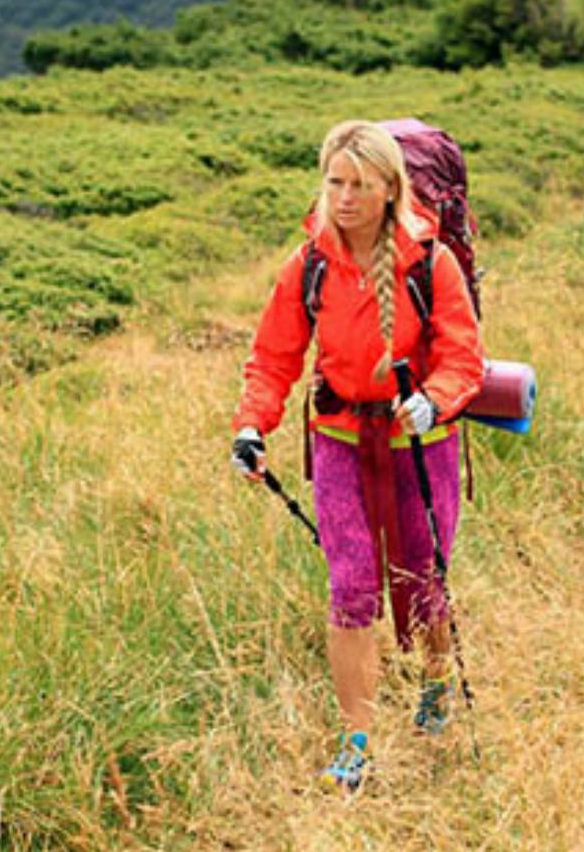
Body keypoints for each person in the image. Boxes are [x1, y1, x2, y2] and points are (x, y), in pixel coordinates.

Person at [230, 120, 485, 793]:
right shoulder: (308, 263)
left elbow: (465, 357)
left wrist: (433, 399)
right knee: (351, 588)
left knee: (422, 572)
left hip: (422, 442)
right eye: (334, 182)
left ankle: (434, 683)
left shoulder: (431, 262)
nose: (343, 197)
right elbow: (274, 355)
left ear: (388, 187)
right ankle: (357, 739)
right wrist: (253, 425)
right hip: (341, 436)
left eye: (358, 184)